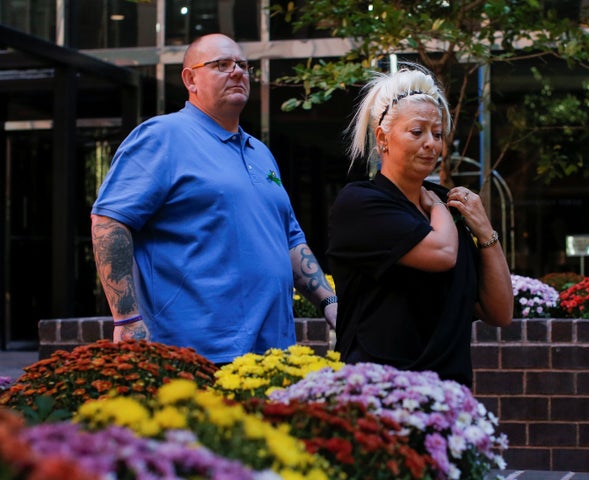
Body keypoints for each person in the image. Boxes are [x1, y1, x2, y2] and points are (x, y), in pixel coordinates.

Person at [91, 33, 337, 365]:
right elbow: (109, 221)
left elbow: (289, 238)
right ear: (190, 79)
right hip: (193, 354)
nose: (237, 72)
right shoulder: (162, 137)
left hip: (274, 354)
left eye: (243, 65)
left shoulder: (260, 152)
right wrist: (127, 320)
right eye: (221, 65)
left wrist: (329, 302)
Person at [326, 65, 513, 387]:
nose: (432, 144)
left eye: (437, 134)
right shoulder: (361, 204)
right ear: (383, 137)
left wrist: (486, 233)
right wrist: (439, 207)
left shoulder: (452, 208)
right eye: (417, 132)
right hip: (380, 395)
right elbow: (441, 253)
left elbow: (499, 312)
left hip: (449, 394)